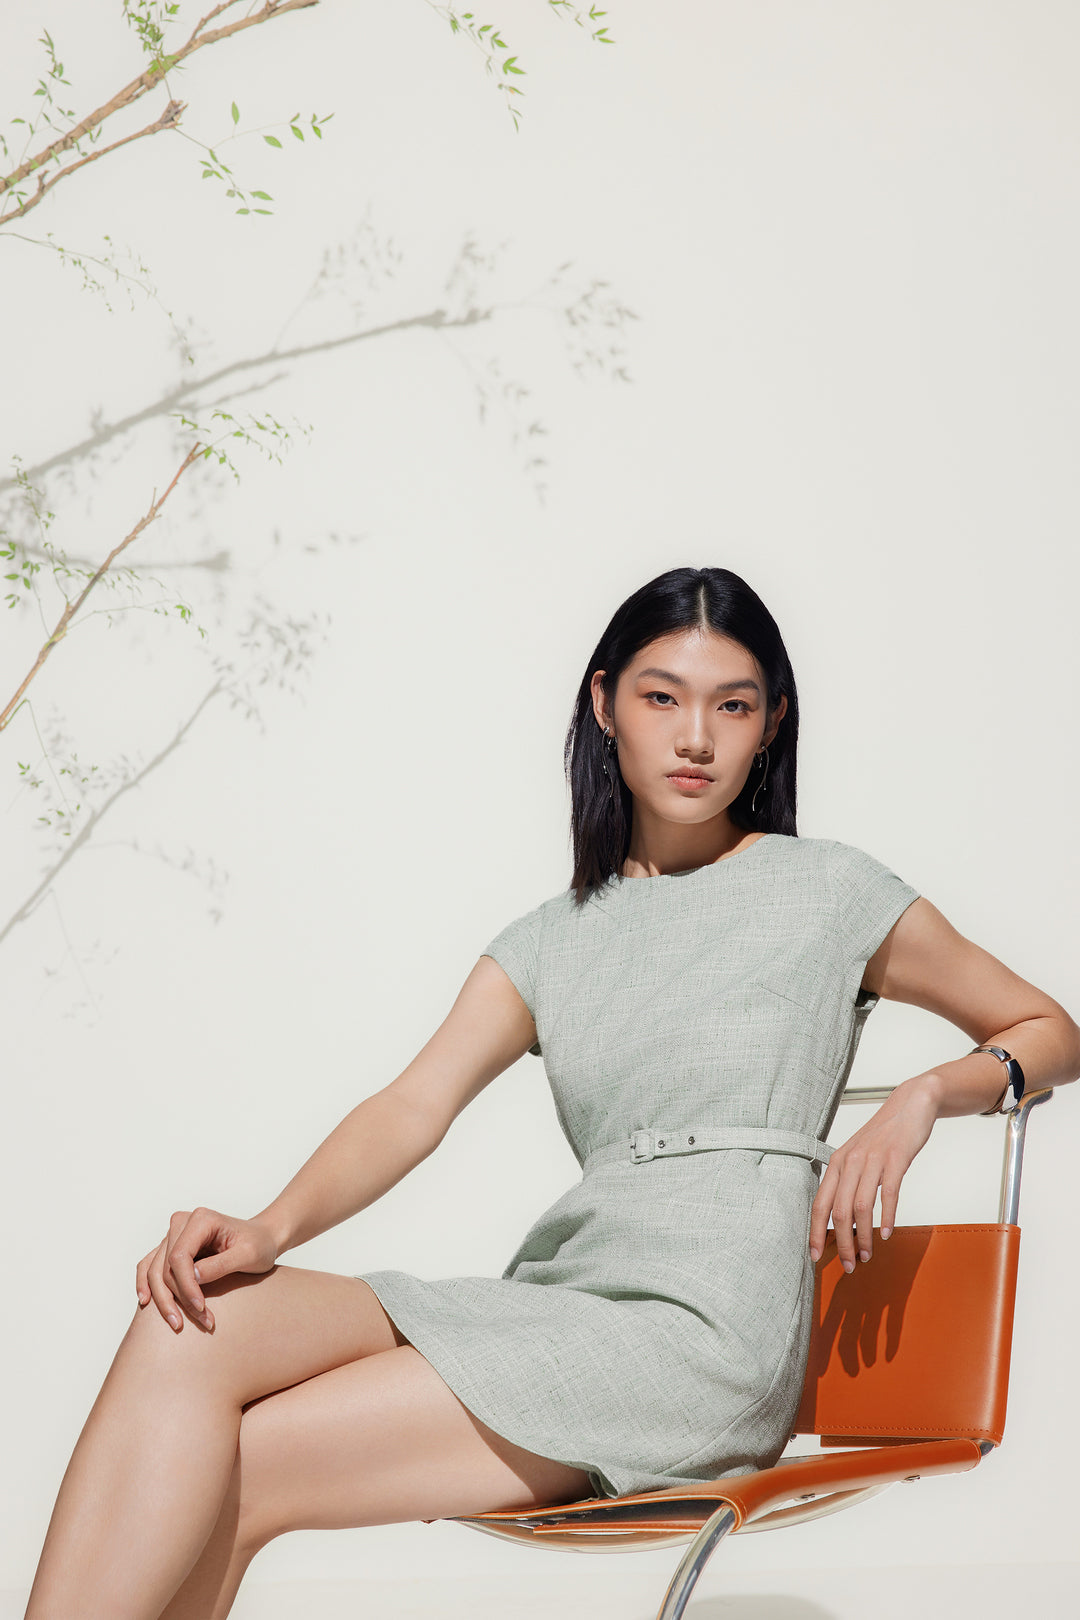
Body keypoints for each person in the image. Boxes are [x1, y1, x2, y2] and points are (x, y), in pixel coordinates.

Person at [24, 565, 1080, 1619]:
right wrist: (269, 1226)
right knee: (192, 1321)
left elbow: (1049, 1030)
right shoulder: (550, 940)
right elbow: (411, 1107)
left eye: (732, 706)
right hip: (563, 1302)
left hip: (704, 1342)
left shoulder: (832, 891)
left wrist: (924, 1096)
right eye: (662, 697)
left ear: (772, 723)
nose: (696, 738)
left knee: (244, 1458)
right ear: (605, 703)